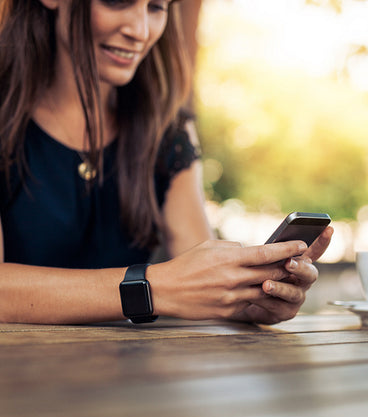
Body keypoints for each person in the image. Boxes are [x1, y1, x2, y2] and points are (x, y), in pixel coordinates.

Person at [0, 0, 332, 325]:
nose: (140, 30)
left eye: (156, 7)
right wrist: (152, 287)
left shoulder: (168, 131)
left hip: (125, 373)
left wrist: (246, 300)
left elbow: (200, 273)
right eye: (118, 2)